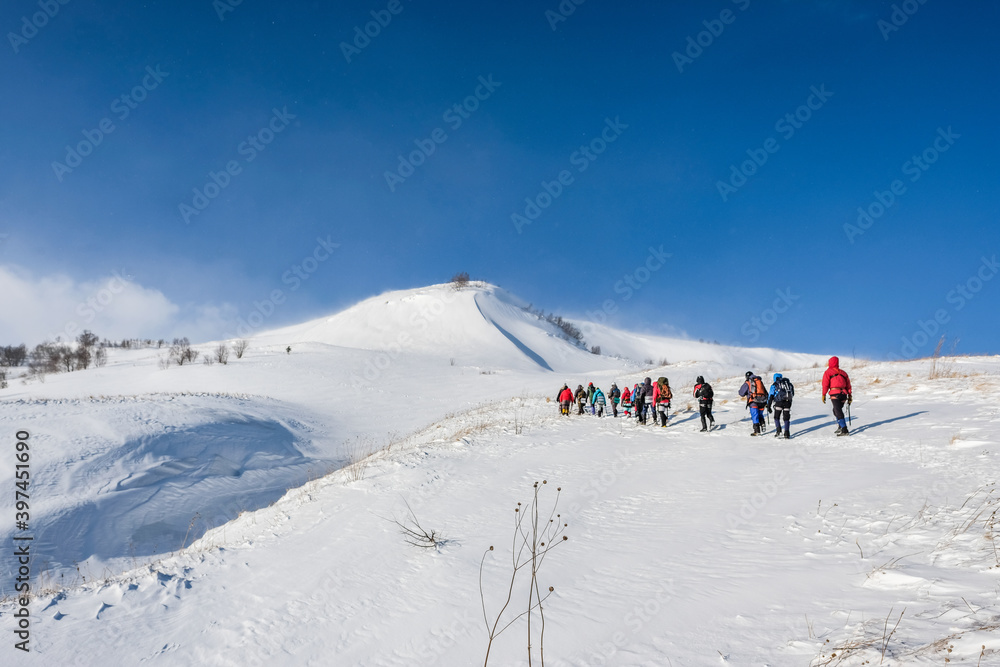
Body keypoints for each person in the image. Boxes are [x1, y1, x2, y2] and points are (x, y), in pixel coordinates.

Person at [821, 356, 853, 435]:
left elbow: (825, 384)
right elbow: (848, 385)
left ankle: (844, 429)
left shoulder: (828, 372)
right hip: (844, 394)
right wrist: (850, 395)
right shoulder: (843, 372)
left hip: (835, 393)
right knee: (836, 410)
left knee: (838, 411)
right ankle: (840, 426)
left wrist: (823, 394)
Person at [738, 371, 769, 436]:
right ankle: (762, 423)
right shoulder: (759, 381)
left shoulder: (748, 382)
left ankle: (757, 431)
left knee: (755, 416)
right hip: (762, 401)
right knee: (760, 414)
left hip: (753, 401)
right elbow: (765, 391)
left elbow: (741, 393)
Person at [767, 373, 794, 439]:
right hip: (788, 402)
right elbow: (793, 393)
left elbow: (770, 396)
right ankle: (787, 433)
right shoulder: (789, 384)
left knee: (777, 417)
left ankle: (779, 432)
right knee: (786, 418)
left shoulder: (774, 385)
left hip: (779, 402)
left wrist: (768, 405)